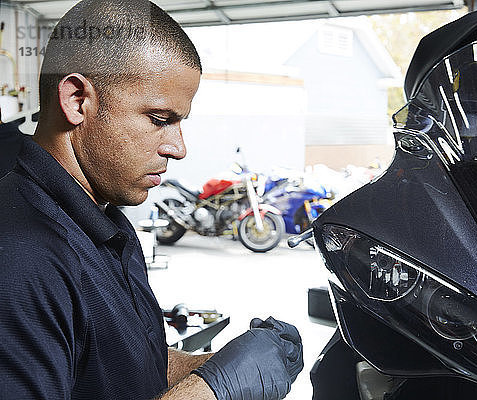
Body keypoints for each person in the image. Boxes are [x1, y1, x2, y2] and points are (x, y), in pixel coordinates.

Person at [0, 0, 303, 399]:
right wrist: (210, 392)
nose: (178, 148)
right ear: (77, 101)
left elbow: (122, 361)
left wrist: (217, 367)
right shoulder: (22, 257)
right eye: (160, 120)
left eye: (180, 123)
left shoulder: (106, 219)